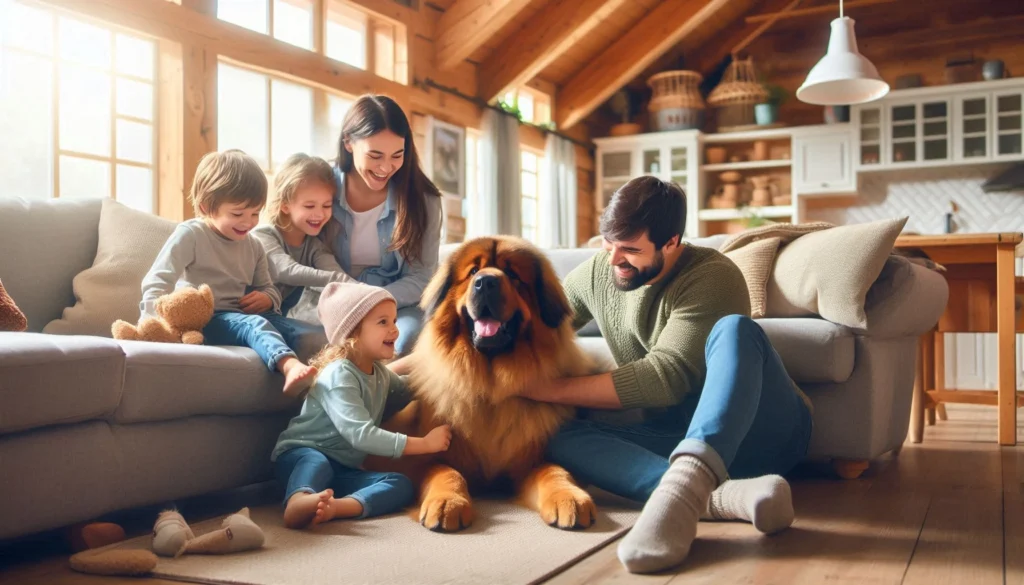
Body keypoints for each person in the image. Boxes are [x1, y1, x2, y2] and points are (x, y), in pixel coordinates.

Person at [522, 176, 814, 573]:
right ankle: (727, 498)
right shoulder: (598, 273)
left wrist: (544, 389)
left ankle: (680, 495)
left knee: (735, 329)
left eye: (630, 250)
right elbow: (539, 331)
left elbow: (664, 378)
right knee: (553, 435)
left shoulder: (712, 275)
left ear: (671, 242)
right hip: (675, 438)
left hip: (767, 433)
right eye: (608, 245)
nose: (614, 261)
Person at [271, 281, 453, 529]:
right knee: (316, 462)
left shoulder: (378, 372)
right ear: (353, 332)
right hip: (300, 456)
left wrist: (443, 375)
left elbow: (409, 387)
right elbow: (361, 435)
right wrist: (424, 444)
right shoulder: (339, 375)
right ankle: (297, 500)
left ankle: (337, 507)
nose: (395, 330)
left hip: (342, 468)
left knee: (399, 484)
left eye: (394, 321)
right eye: (383, 322)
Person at [140, 149, 318, 397]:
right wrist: (151, 323)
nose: (248, 222)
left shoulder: (254, 245)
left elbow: (268, 288)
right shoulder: (191, 235)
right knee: (255, 325)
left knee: (304, 331)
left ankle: (334, 377)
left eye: (255, 213)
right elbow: (158, 279)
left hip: (238, 316)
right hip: (203, 320)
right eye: (237, 214)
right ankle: (289, 366)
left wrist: (267, 298)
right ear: (206, 207)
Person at [321, 94, 443, 356]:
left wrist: (371, 302)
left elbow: (422, 277)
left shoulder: (425, 201)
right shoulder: (320, 186)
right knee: (312, 341)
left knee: (406, 341)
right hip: (330, 302)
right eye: (375, 155)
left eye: (397, 155)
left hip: (396, 307)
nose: (386, 167)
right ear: (348, 142)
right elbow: (297, 248)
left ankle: (384, 392)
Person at [252, 153, 354, 320]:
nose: (320, 214)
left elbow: (334, 272)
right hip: (245, 315)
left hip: (280, 317)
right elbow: (286, 270)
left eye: (326, 205)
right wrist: (342, 280)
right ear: (285, 205)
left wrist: (364, 291)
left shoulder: (314, 245)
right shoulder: (264, 236)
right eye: (309, 206)